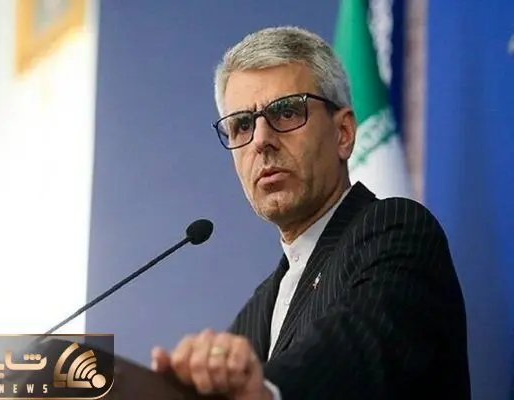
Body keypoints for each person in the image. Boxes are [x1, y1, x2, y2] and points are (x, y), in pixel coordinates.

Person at [151, 26, 471, 399]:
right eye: (242, 124)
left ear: (343, 133)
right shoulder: (256, 313)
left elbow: (357, 345)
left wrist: (267, 390)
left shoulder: (399, 232)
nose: (261, 140)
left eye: (286, 112)